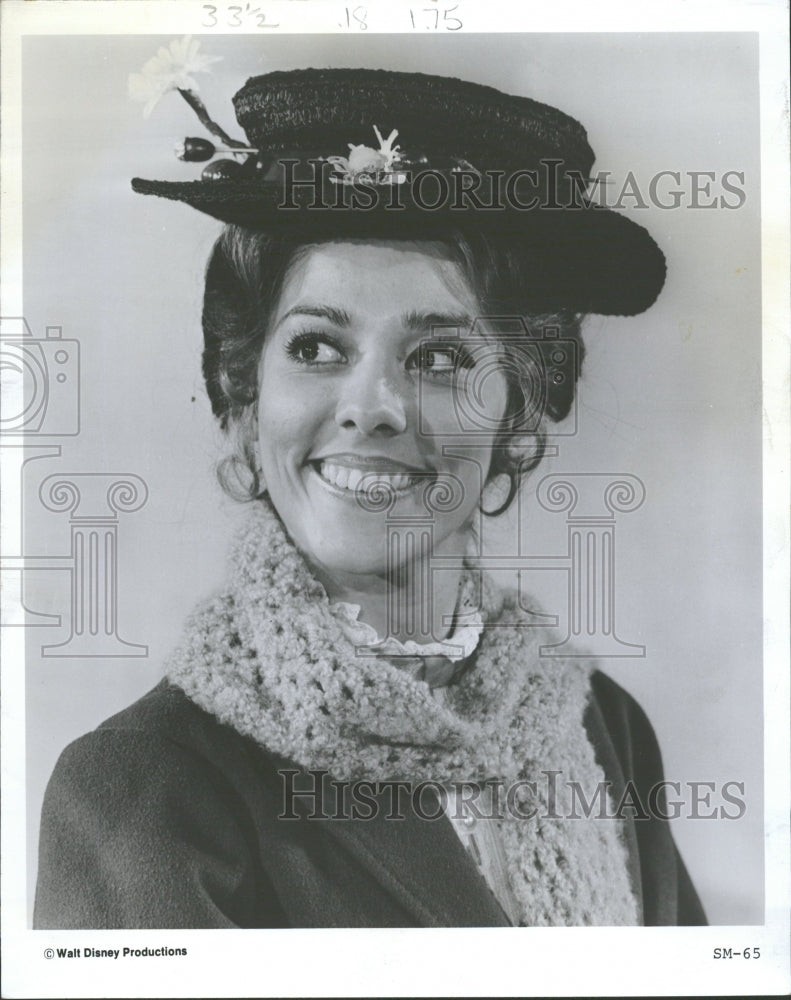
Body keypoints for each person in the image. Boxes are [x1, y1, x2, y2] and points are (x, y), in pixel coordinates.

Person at [34, 63, 706, 928]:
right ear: (244, 401)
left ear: (515, 416)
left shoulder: (602, 730)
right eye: (316, 348)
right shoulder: (145, 787)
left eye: (439, 360)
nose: (370, 409)